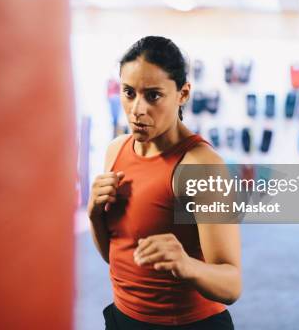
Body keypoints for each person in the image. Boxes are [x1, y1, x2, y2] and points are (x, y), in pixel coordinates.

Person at [87, 36, 241, 330]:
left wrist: (186, 265)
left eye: (153, 95)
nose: (137, 109)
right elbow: (117, 257)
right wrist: (95, 214)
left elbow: (231, 285)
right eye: (129, 92)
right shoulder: (116, 150)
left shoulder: (200, 166)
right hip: (122, 318)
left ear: (183, 94)